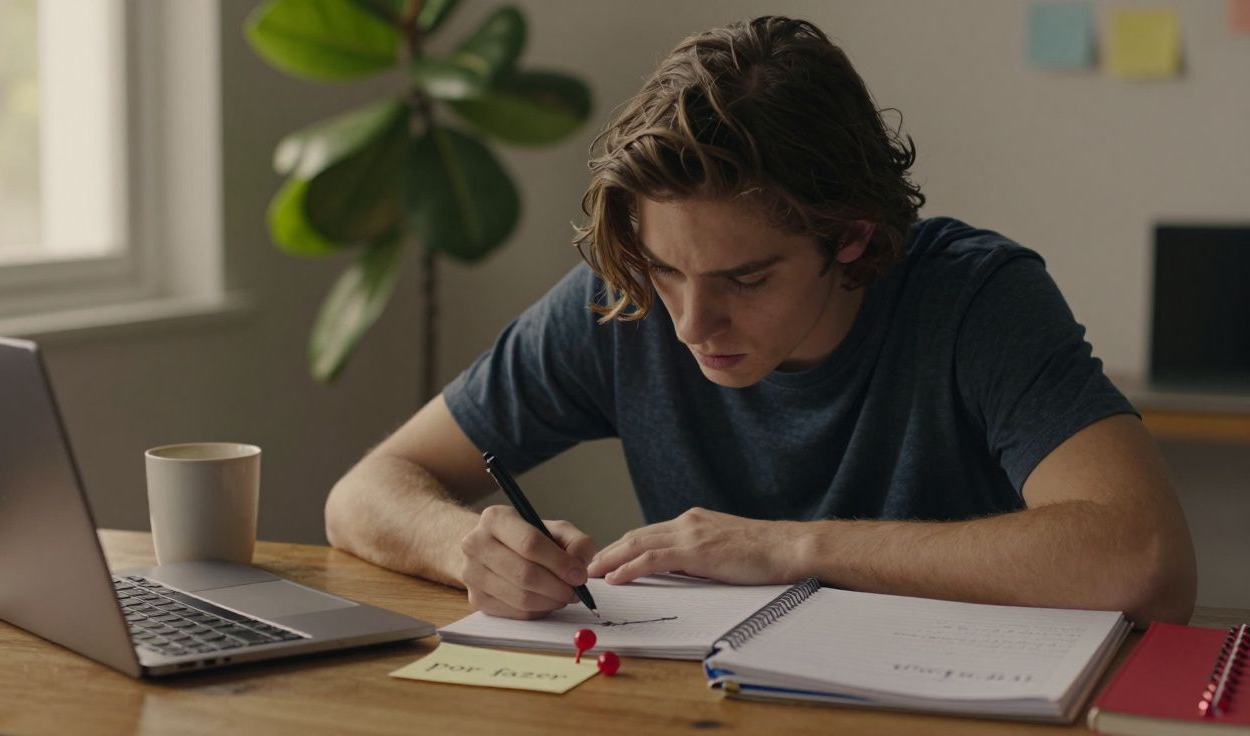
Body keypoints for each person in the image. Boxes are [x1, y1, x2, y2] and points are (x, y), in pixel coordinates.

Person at [325, 16, 1196, 625]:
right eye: (666, 268)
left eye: (746, 277)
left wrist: (792, 549)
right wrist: (468, 550)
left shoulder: (975, 300)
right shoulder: (621, 297)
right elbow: (366, 492)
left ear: (850, 239)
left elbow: (1143, 561)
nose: (692, 321)